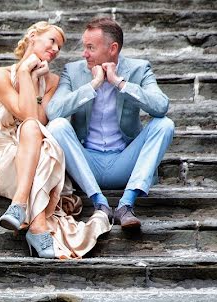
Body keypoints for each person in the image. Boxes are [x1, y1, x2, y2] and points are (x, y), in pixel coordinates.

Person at [0, 22, 111, 259]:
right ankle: (36, 221)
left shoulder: (51, 81)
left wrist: (35, 80)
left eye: (59, 47)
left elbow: (38, 121)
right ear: (32, 36)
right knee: (38, 136)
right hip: (3, 162)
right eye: (52, 41)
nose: (55, 49)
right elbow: (26, 114)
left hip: (36, 157)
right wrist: (24, 73)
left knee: (39, 136)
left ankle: (21, 209)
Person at [45, 16, 175, 230]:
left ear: (112, 48)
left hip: (125, 162)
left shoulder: (139, 69)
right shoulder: (73, 70)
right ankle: (100, 203)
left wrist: (119, 82)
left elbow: (161, 106)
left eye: (90, 47)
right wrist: (93, 85)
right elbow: (54, 111)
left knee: (164, 124)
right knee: (57, 126)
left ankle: (126, 204)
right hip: (86, 164)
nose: (84, 53)